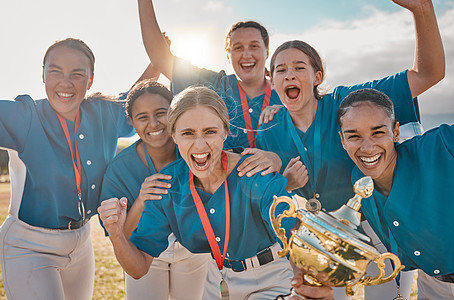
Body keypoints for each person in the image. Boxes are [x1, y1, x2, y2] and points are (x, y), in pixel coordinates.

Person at [255, 0, 444, 298]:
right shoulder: (268, 129)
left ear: (317, 77)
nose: (289, 75)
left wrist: (421, 10)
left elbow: (428, 74)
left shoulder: (349, 103)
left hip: (372, 229)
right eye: (280, 70)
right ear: (273, 82)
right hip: (317, 236)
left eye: (299, 67)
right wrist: (281, 175)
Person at [99, 86, 304, 299]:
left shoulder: (255, 172)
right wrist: (116, 234)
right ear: (174, 135)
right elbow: (138, 268)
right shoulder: (167, 185)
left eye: (210, 132)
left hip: (270, 279)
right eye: (188, 133)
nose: (199, 145)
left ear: (225, 131)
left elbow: (294, 238)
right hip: (216, 280)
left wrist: (303, 283)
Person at [0, 38, 135, 300]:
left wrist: (157, 62)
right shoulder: (24, 115)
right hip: (29, 245)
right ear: (42, 75)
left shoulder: (103, 113)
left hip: (82, 242)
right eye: (55, 71)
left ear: (91, 79)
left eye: (77, 74)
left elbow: (137, 100)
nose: (66, 82)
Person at [338, 88, 454, 300]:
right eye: (353, 136)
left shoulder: (439, 145)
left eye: (378, 132)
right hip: (433, 284)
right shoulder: (359, 178)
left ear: (396, 132)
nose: (367, 147)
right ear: (342, 140)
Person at [100, 80, 211, 299]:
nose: (153, 123)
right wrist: (141, 201)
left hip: (194, 252)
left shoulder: (195, 150)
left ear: (173, 113)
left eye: (161, 113)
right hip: (142, 252)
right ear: (131, 122)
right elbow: (122, 234)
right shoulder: (119, 168)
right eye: (142, 117)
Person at [137, 0, 282, 151]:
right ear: (228, 55)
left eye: (254, 46)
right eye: (238, 48)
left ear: (267, 51)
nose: (246, 54)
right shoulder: (215, 85)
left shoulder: (287, 95)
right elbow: (160, 58)